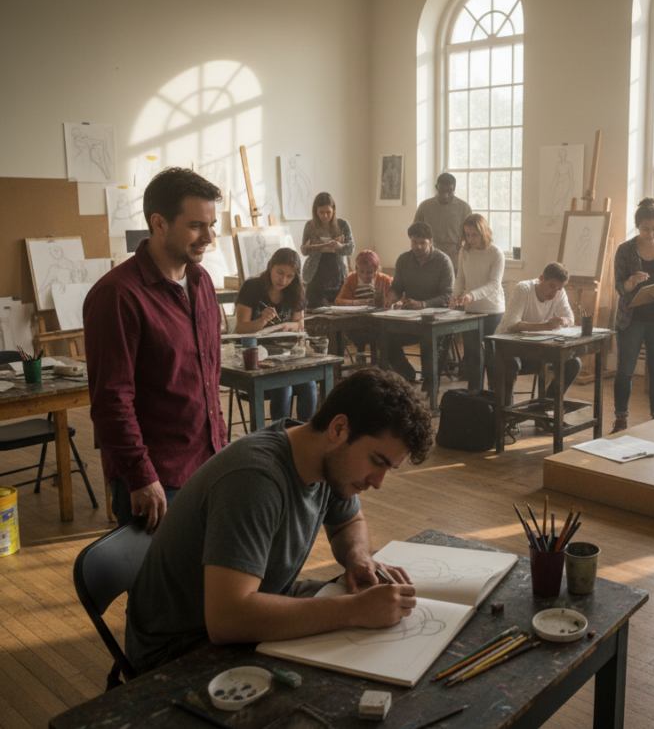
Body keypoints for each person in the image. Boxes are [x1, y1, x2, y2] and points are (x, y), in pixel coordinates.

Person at [123, 368, 434, 675]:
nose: (378, 482)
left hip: (256, 604)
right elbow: (226, 620)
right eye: (377, 461)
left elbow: (349, 523)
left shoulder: (325, 460)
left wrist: (358, 556)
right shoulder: (255, 480)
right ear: (339, 428)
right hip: (180, 651)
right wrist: (355, 611)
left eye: (388, 469)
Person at [84, 167, 227, 531]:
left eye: (212, 224)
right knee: (155, 587)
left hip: (209, 463)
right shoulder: (117, 295)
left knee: (204, 584)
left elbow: (208, 379)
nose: (208, 236)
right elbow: (111, 401)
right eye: (197, 225)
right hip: (156, 479)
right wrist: (140, 476)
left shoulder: (201, 281)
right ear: (159, 223)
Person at [611, 198, 654, 433]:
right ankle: (621, 419)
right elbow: (619, 286)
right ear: (637, 226)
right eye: (645, 229)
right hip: (630, 319)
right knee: (625, 372)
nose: (650, 233)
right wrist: (630, 282)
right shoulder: (625, 250)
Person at [235, 247, 317, 422]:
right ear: (270, 266)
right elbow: (240, 328)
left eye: (290, 276)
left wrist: (290, 325)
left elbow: (300, 324)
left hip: (285, 354)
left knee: (309, 384)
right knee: (283, 386)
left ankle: (305, 435)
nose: (284, 280)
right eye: (280, 273)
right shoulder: (252, 287)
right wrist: (261, 321)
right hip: (257, 355)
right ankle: (279, 436)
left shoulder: (296, 289)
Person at [494, 263, 579, 413]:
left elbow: (570, 318)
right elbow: (511, 324)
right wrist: (544, 326)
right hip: (506, 346)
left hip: (536, 348)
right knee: (511, 363)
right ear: (541, 279)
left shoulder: (559, 292)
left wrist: (563, 321)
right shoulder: (523, 289)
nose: (555, 292)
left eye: (559, 288)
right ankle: (507, 415)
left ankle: (539, 410)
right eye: (552, 286)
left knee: (573, 362)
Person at [384, 222, 455, 382]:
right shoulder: (404, 260)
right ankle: (407, 374)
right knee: (384, 338)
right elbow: (397, 288)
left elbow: (446, 296)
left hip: (437, 321)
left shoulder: (443, 261)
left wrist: (422, 304)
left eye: (422, 243)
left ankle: (429, 385)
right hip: (410, 320)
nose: (418, 247)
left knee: (427, 341)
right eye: (414, 242)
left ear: (431, 242)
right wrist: (390, 298)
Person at [452, 214, 505, 388]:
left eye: (474, 234)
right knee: (473, 357)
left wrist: (471, 295)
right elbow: (460, 277)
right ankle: (475, 397)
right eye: (467, 234)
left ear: (483, 232)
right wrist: (455, 297)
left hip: (493, 311)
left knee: (492, 358)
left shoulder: (495, 253)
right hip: (471, 310)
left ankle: (494, 398)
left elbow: (494, 284)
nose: (470, 239)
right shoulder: (464, 251)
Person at [334, 249, 394, 355]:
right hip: (356, 325)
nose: (365, 275)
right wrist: (361, 302)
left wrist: (390, 303)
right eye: (361, 271)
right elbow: (338, 302)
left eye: (369, 272)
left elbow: (397, 300)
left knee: (383, 334)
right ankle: (361, 355)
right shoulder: (352, 279)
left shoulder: (385, 280)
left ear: (376, 270)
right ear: (356, 268)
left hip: (379, 324)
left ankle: (380, 361)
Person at [301, 192, 354, 308]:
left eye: (328, 212)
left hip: (337, 273)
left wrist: (339, 246)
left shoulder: (343, 224)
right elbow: (303, 250)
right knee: (314, 308)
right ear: (316, 211)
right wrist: (315, 248)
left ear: (334, 210)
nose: (325, 215)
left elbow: (350, 249)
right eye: (321, 212)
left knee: (337, 306)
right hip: (315, 274)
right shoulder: (310, 225)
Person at [413, 173, 472, 271]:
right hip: (430, 257)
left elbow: (471, 236)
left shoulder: (464, 208)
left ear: (454, 188)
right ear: (436, 187)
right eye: (442, 191)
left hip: (456, 258)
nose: (445, 195)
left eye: (449, 191)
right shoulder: (425, 207)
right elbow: (414, 232)